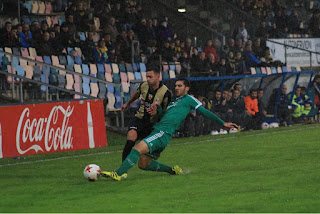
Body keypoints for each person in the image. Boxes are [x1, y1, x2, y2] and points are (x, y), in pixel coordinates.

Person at [101, 78, 237, 181]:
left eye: (180, 86)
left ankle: (118, 174)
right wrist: (157, 109)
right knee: (143, 164)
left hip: (162, 133)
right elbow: (162, 116)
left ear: (187, 88)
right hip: (161, 132)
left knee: (137, 149)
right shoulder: (172, 103)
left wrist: (222, 123)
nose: (176, 88)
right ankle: (172, 170)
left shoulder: (189, 99)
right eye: (176, 85)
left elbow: (204, 111)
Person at [120, 67, 171, 177]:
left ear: (158, 76)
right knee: (131, 135)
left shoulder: (165, 92)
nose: (147, 79)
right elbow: (136, 94)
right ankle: (123, 170)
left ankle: (171, 170)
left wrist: (157, 113)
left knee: (143, 162)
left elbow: (166, 113)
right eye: (146, 77)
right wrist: (127, 103)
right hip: (140, 119)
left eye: (150, 77)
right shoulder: (144, 86)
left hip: (153, 125)